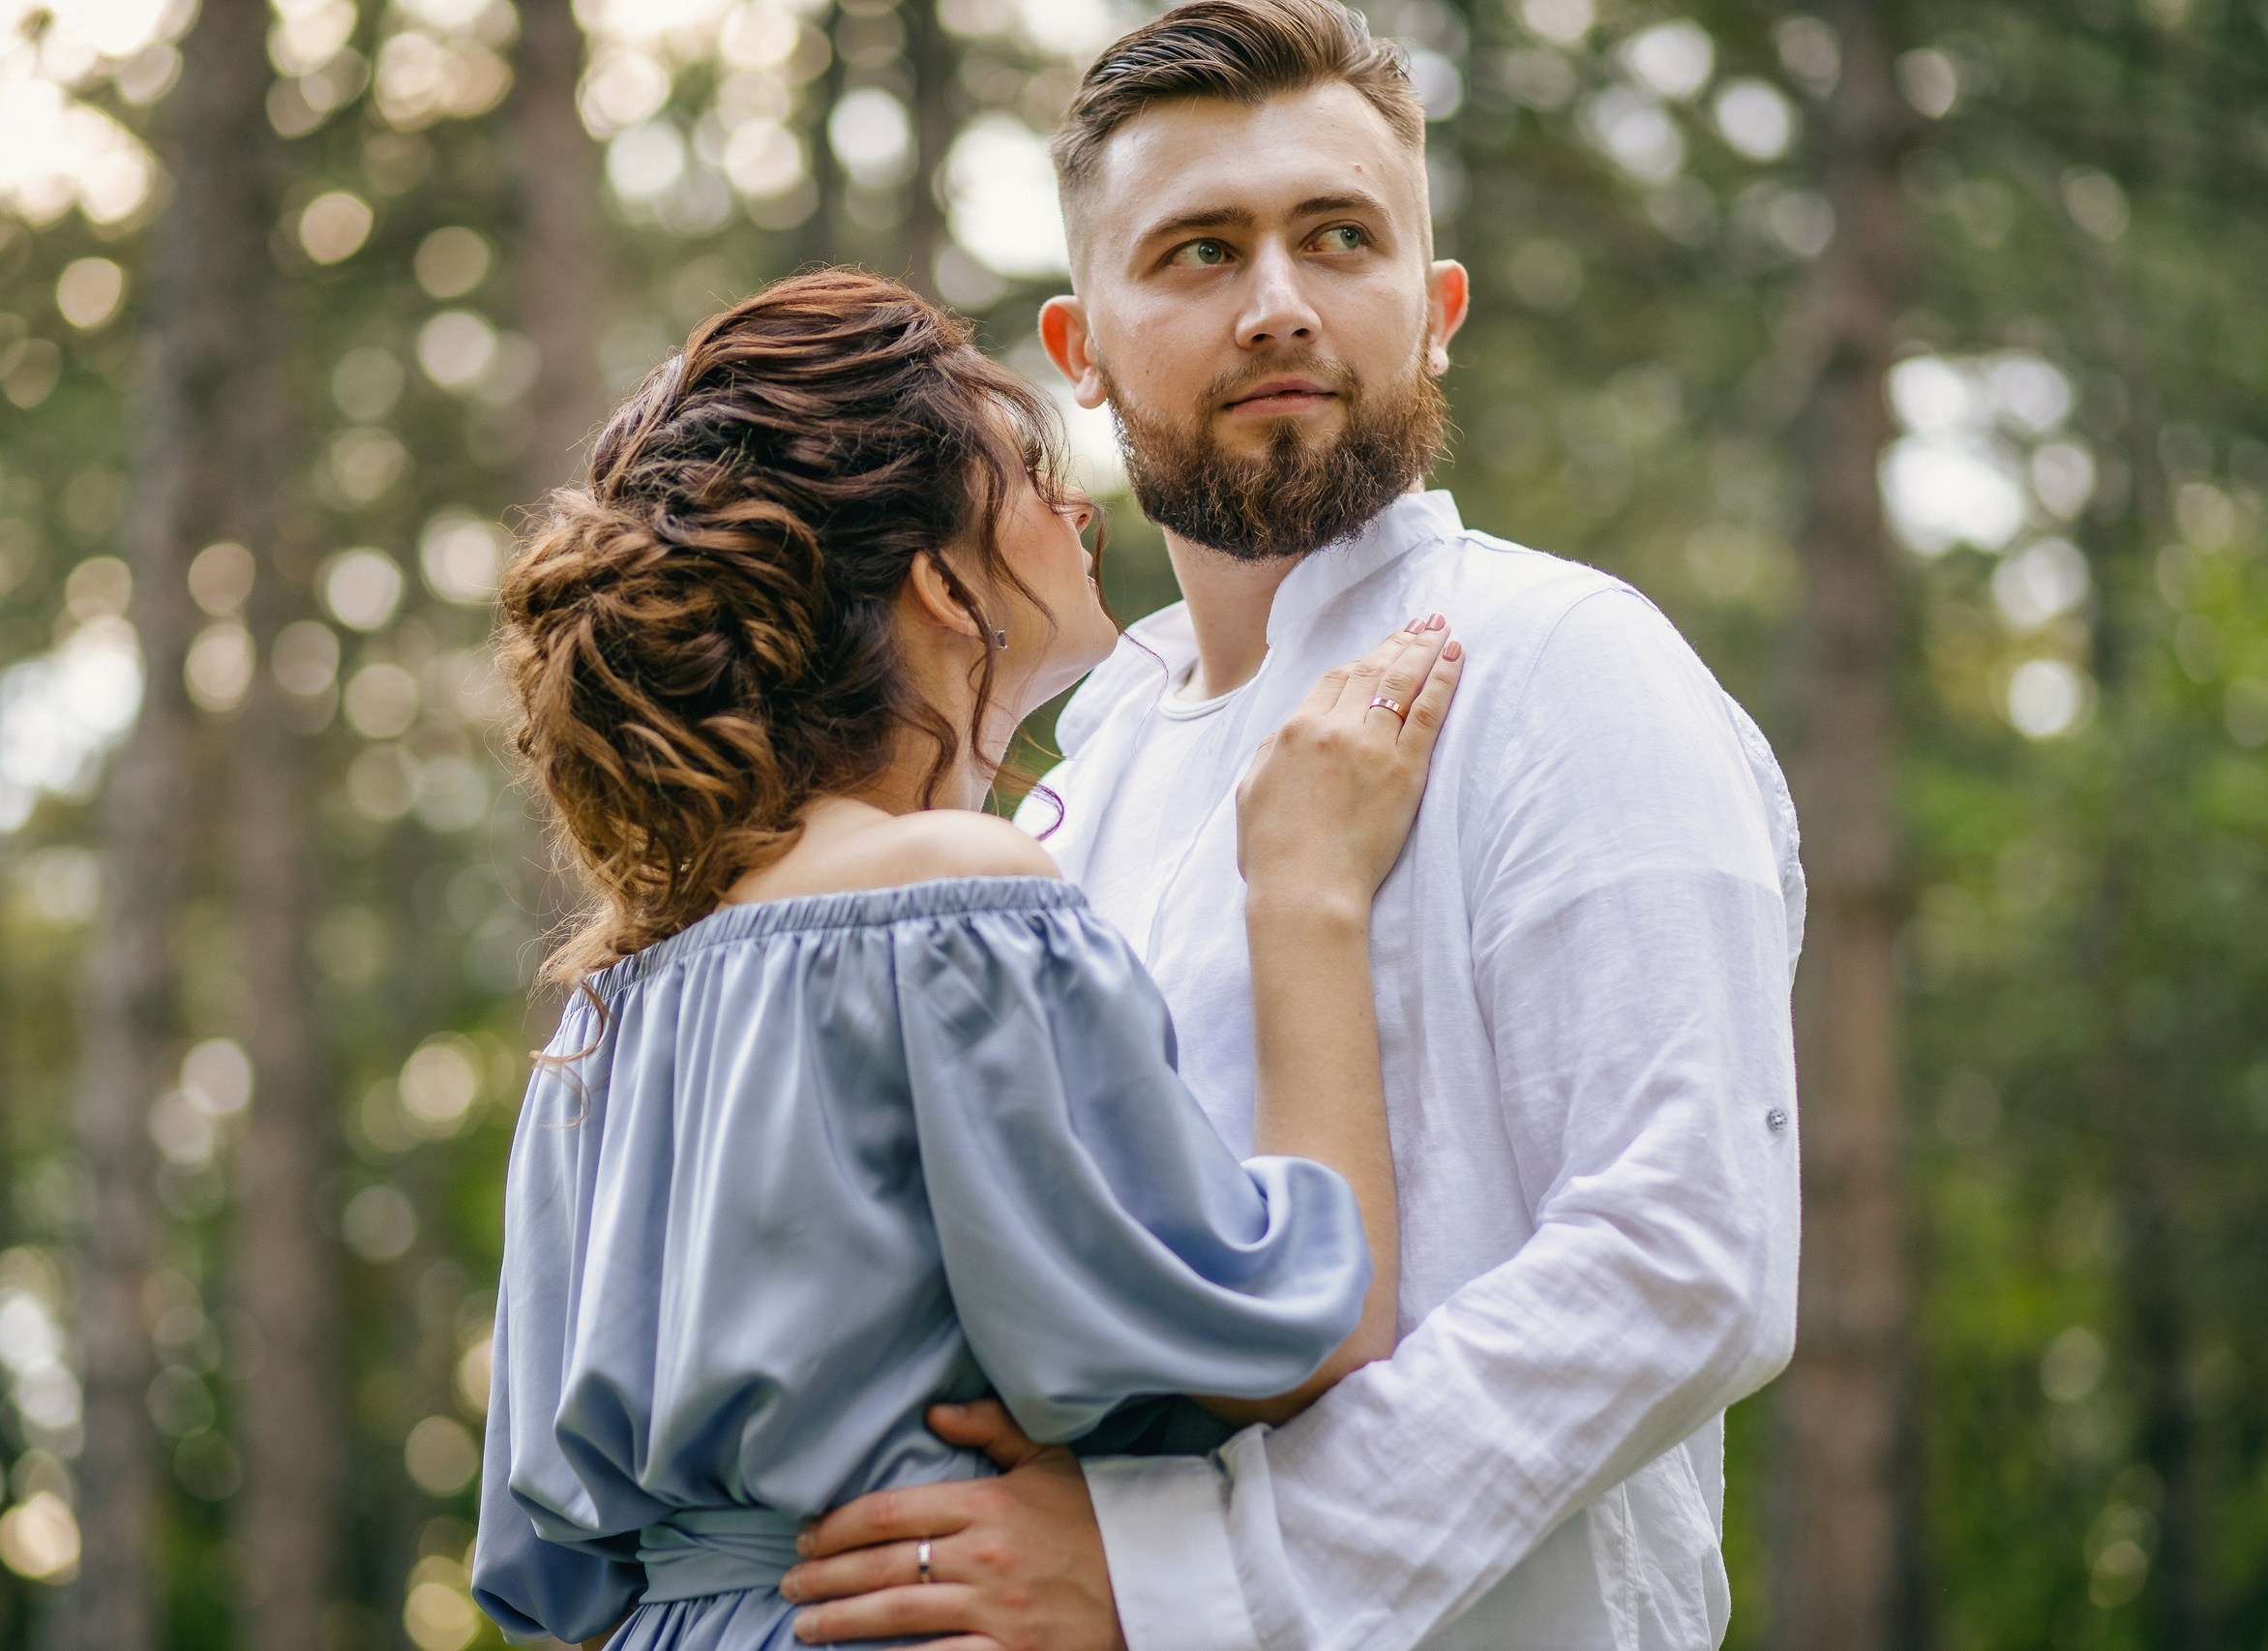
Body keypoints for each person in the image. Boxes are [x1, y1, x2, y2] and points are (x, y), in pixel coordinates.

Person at [777, 4, 1805, 1649]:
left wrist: (1183, 1572)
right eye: (1197, 251)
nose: (1278, 306)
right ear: (1080, 349)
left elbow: (1680, 1255)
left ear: (1436, 307)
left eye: (1340, 237)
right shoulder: (1068, 792)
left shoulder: (1563, 665)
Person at [469, 268, 1468, 1650]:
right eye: (1034, 472)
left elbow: (551, 1568)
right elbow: (1304, 1334)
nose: (1081, 510)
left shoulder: (608, 1007)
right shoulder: (955, 905)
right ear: (942, 581)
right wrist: (1308, 892)